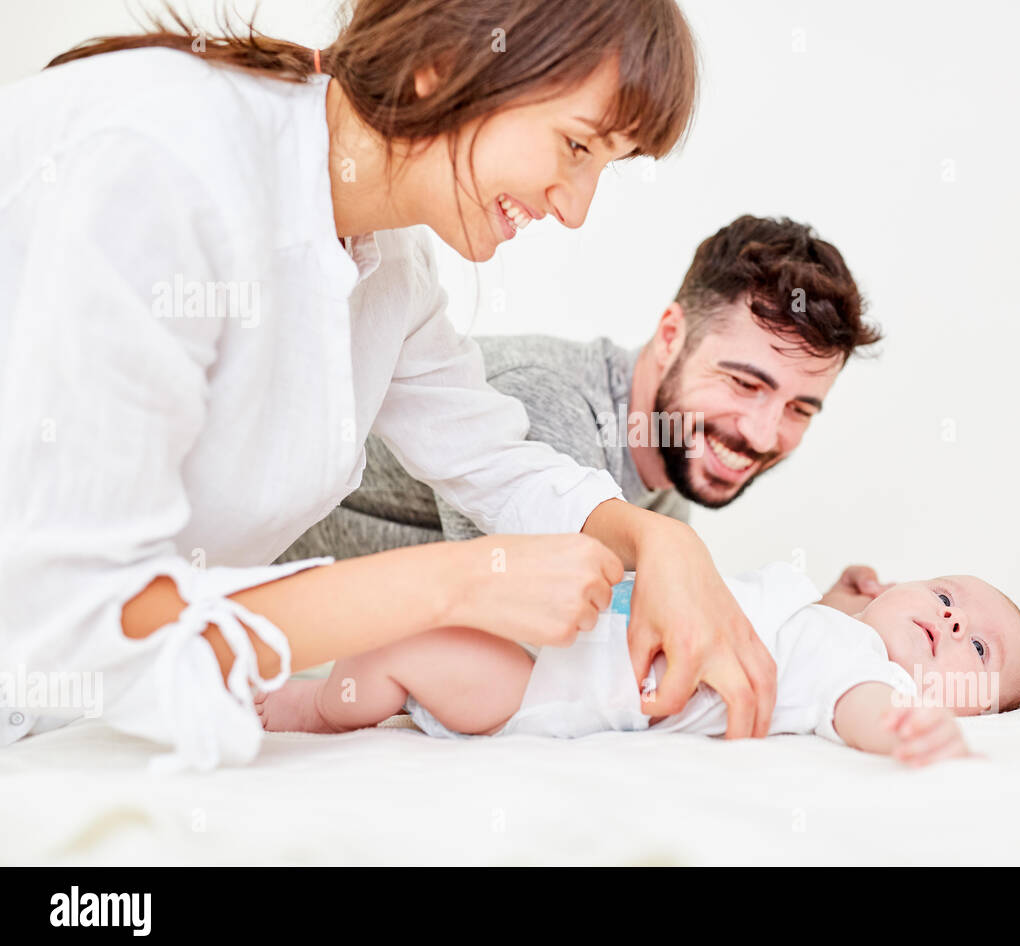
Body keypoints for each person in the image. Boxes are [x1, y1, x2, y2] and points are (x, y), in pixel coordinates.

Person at [0, 0, 784, 771]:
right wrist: (459, 582)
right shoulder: (163, 167)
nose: (575, 209)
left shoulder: (390, 262)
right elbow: (81, 611)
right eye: (576, 147)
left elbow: (491, 458)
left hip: (61, 724)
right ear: (439, 66)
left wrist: (655, 536)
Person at [276, 215, 884, 617]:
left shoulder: (667, 471)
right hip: (221, 620)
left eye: (799, 408)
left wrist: (821, 624)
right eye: (745, 383)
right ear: (671, 335)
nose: (760, 434)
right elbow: (524, 651)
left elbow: (666, 615)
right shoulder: (551, 403)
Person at [255, 560, 1020, 768]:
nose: (950, 618)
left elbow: (854, 700)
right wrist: (842, 596)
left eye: (976, 646)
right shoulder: (827, 626)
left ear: (969, 702)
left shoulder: (866, 671)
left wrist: (901, 729)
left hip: (552, 685)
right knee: (424, 603)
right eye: (946, 594)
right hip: (567, 624)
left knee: (404, 644)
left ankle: (314, 709)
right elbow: (804, 632)